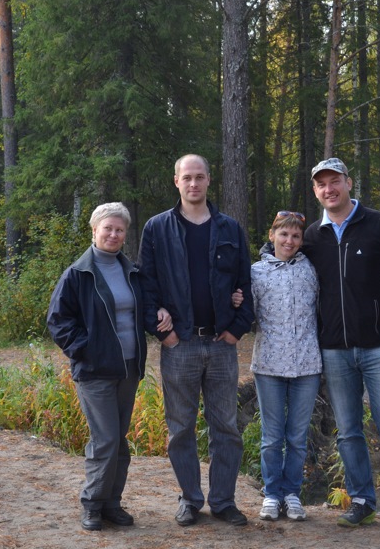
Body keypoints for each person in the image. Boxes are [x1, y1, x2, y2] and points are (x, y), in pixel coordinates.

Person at [301, 157, 380, 539]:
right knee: (348, 432)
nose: (329, 189)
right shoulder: (311, 237)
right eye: (321, 184)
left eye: (334, 181)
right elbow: (289, 269)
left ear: (348, 183)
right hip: (335, 351)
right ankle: (362, 502)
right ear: (316, 191)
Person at [138, 154, 255, 528]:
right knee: (180, 429)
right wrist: (164, 334)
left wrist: (236, 329)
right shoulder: (157, 229)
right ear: (176, 181)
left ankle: (223, 501)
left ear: (209, 180)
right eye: (186, 178)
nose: (193, 184)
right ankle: (190, 499)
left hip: (221, 345)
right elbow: (147, 286)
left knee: (226, 427)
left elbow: (245, 284)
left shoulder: (230, 229)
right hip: (181, 345)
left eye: (199, 177)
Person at [47, 202, 171, 532]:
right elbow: (58, 321)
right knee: (105, 439)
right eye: (108, 229)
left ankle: (112, 503)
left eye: (119, 230)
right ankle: (92, 503)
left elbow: (142, 310)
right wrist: (85, 351)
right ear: (94, 230)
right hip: (94, 371)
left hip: (129, 367)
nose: (114, 234)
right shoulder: (78, 273)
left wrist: (160, 314)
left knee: (119, 438)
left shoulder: (131, 270)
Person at [250, 210, 322, 522]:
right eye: (284, 234)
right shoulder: (255, 272)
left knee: (297, 436)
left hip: (307, 363)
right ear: (272, 235)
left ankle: (292, 493)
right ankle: (271, 494)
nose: (289, 241)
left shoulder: (311, 270)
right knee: (272, 436)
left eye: (295, 236)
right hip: (268, 363)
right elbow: (245, 314)